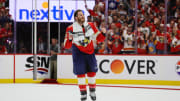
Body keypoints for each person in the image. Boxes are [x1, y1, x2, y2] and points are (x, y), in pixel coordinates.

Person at [64, 9, 106, 101]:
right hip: (78, 52)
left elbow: (99, 39)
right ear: (76, 18)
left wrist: (103, 33)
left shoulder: (90, 25)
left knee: (92, 72)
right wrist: (70, 39)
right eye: (80, 15)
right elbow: (66, 46)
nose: (82, 16)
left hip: (90, 51)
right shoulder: (70, 28)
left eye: (83, 15)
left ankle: (92, 91)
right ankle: (83, 93)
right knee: (80, 73)